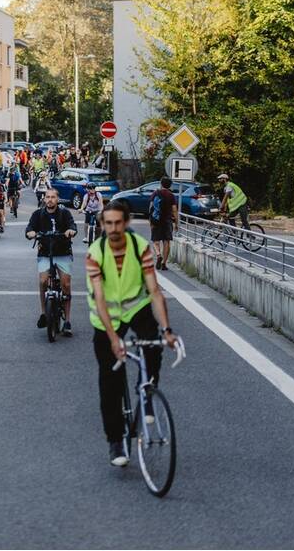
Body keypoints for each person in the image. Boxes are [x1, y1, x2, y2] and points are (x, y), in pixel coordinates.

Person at [86, 200, 178, 467]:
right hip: (106, 319)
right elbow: (100, 299)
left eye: (118, 223)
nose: (113, 228)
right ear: (103, 224)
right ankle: (115, 441)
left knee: (153, 346)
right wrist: (115, 340)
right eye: (108, 223)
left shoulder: (140, 248)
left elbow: (154, 291)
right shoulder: (95, 253)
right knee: (110, 380)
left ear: (126, 223)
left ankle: (147, 393)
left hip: (136, 308)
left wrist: (167, 330)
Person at [25, 188, 78, 336]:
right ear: (44, 199)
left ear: (57, 199)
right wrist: (30, 233)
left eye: (53, 197)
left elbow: (72, 226)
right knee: (42, 281)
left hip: (63, 252)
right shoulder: (38, 214)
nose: (50, 199)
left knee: (66, 284)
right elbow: (29, 228)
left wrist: (71, 231)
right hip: (45, 253)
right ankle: (44, 313)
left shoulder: (64, 213)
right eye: (47, 197)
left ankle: (67, 321)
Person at [149, 177, 178, 270]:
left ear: (161, 184)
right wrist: (176, 222)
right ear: (170, 185)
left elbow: (151, 207)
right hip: (167, 221)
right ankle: (164, 264)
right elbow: (174, 210)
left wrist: (151, 220)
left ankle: (158, 254)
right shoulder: (171, 195)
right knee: (166, 241)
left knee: (155, 240)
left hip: (156, 220)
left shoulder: (155, 193)